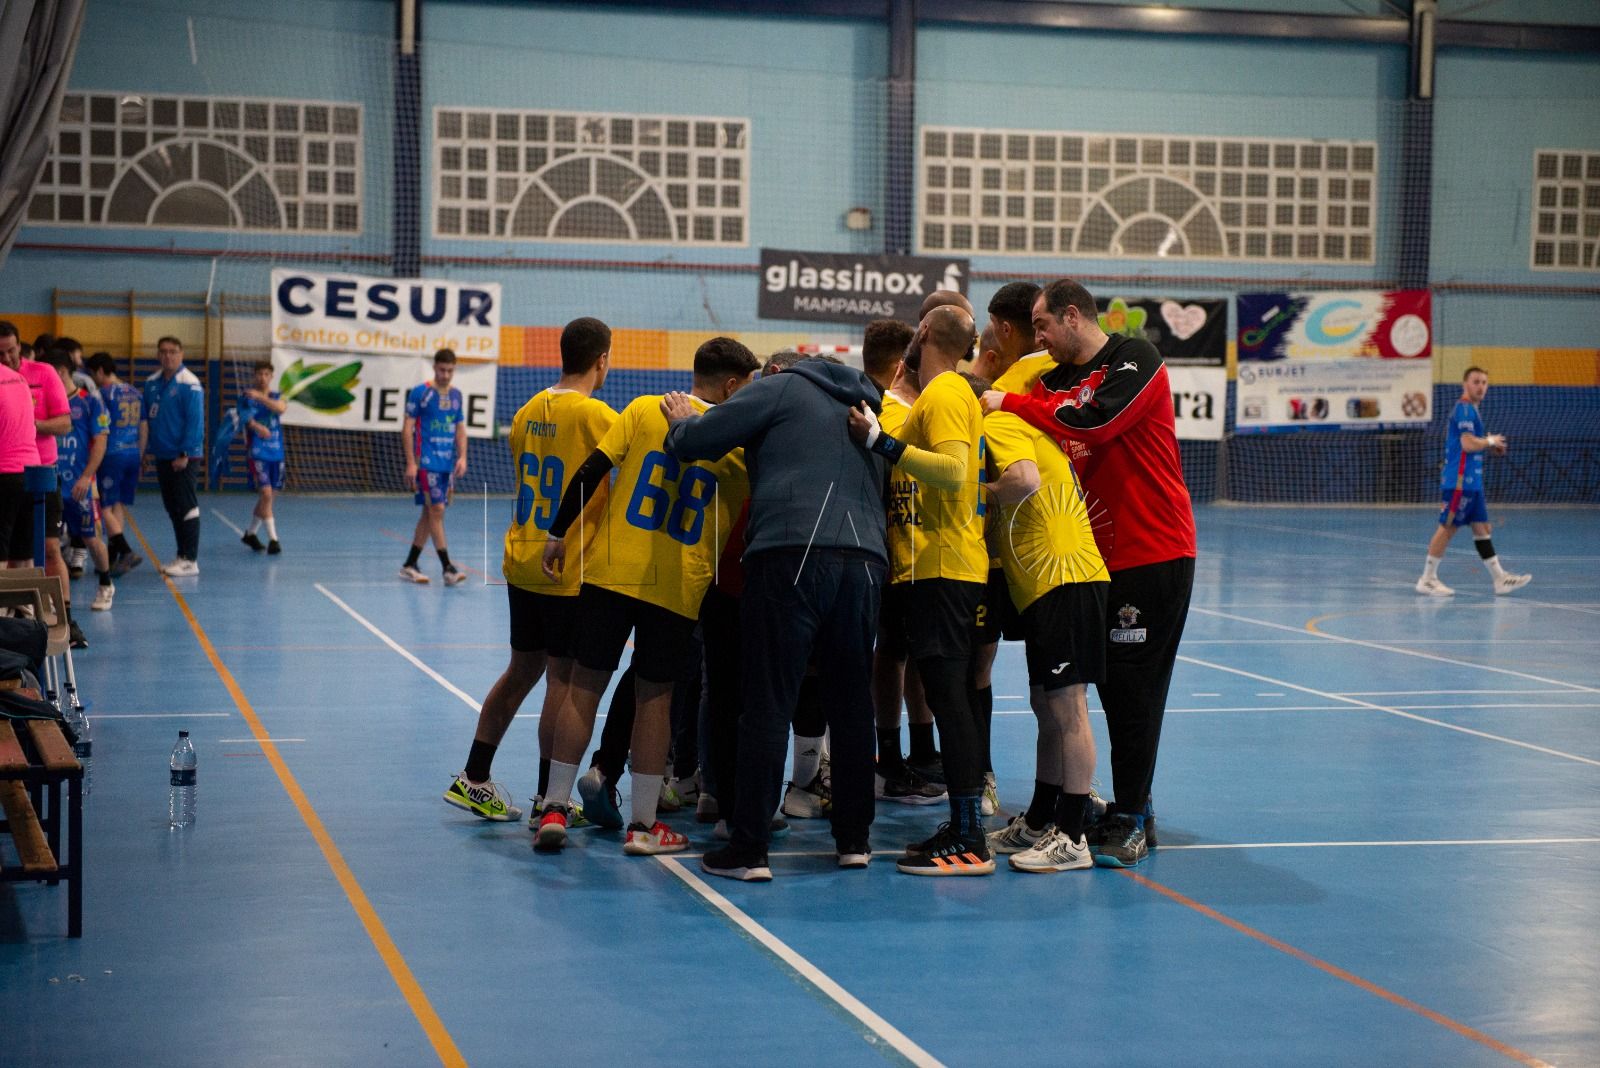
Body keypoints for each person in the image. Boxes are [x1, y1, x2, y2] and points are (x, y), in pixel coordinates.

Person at [981, 278, 1197, 868]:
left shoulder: (1134, 358)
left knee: (1133, 689)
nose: (1039, 339)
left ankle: (1132, 816)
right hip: (1093, 559)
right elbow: (1016, 388)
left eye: (1044, 326)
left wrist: (1011, 404)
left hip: (1152, 550)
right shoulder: (1051, 378)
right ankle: (1105, 805)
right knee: (1090, 686)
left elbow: (1094, 421)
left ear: (1073, 316)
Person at [661, 348, 889, 881]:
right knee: (852, 707)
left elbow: (698, 441)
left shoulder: (782, 385)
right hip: (865, 560)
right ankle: (854, 841)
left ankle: (749, 848)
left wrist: (680, 423)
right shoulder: (867, 407)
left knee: (767, 701)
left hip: (791, 550)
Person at [536, 337, 757, 856]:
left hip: (612, 570)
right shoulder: (739, 443)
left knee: (584, 687)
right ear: (731, 386)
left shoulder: (641, 408)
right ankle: (643, 826)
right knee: (655, 699)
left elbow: (592, 469)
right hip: (677, 582)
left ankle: (553, 807)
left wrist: (557, 531)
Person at [441, 318, 616, 824]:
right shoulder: (598, 415)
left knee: (522, 670)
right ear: (602, 360)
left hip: (522, 559)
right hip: (567, 564)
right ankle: (548, 798)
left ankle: (474, 777)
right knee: (563, 680)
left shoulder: (526, 411)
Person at [849, 305, 995, 876]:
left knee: (949, 699)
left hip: (945, 568)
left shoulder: (949, 391)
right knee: (945, 693)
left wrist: (880, 442)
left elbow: (953, 471)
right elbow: (902, 445)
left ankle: (969, 835)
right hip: (923, 569)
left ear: (926, 333)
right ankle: (962, 826)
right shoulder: (931, 398)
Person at [980, 394, 1110, 872]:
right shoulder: (1024, 430)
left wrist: (977, 493)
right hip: (1044, 584)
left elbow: (1024, 480)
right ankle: (1039, 820)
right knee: (1046, 706)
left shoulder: (999, 423)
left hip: (1065, 579)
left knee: (1069, 708)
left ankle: (1072, 836)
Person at [1415, 367, 1530, 597]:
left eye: (1484, 382)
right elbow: (1467, 444)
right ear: (1465, 384)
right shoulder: (1465, 409)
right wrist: (1490, 441)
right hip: (1460, 482)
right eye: (1476, 382)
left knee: (1482, 527)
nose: (1481, 386)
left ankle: (1500, 579)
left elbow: (1472, 444)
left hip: (1473, 482)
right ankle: (1427, 579)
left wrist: (1489, 445)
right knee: (1448, 527)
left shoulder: (1473, 411)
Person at [45, 348, 114, 612]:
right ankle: (53, 599)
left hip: (80, 487)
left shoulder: (90, 401)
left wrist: (86, 477)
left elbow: (101, 443)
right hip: (51, 485)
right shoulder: (46, 401)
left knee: (91, 539)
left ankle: (106, 584)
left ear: (61, 372)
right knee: (49, 545)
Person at [400, 348, 469, 585]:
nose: (446, 375)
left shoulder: (457, 395)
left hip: (445, 465)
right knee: (437, 510)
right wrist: (411, 462)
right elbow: (407, 428)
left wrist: (462, 457)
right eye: (442, 370)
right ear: (434, 368)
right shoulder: (421, 393)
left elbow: (460, 428)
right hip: (425, 463)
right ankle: (447, 568)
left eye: (450, 371)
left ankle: (409, 564)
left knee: (429, 514)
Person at [141, 336, 204, 577]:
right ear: (158, 354)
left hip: (184, 456)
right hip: (162, 455)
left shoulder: (190, 384)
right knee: (172, 506)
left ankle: (191, 560)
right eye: (163, 351)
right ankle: (181, 555)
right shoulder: (151, 383)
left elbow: (195, 423)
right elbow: (148, 421)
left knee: (186, 505)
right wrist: (146, 452)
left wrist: (184, 453)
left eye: (173, 351)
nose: (168, 356)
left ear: (181, 354)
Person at [85, 352, 144, 574]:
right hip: (132, 453)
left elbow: (99, 427)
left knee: (104, 507)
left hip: (112, 455)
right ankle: (113, 556)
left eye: (93, 374)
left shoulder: (102, 394)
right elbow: (144, 426)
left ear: (100, 371)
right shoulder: (135, 393)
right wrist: (140, 454)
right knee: (118, 503)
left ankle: (126, 550)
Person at [0, 324, 41, 569]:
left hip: (4, 472)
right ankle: (27, 595)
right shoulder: (21, 379)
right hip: (31, 473)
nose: (6, 357)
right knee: (24, 551)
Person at [238, 361, 287, 555]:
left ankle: (250, 534)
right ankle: (274, 539)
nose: (263, 378)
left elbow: (281, 408)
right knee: (266, 494)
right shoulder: (247, 397)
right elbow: (246, 419)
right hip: (258, 452)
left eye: (266, 374)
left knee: (269, 498)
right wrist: (257, 426)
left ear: (271, 377)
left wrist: (261, 397)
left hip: (277, 452)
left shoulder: (276, 396)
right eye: (259, 374)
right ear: (254, 376)